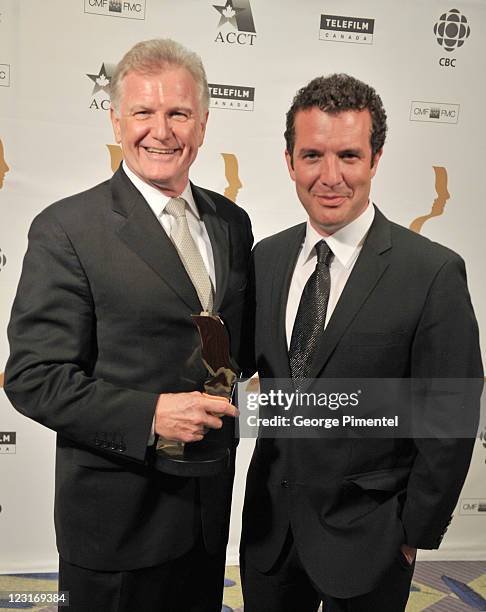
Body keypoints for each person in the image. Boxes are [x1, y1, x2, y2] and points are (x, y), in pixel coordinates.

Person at [4, 39, 253, 612]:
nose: (161, 130)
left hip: (208, 511)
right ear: (117, 120)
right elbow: (34, 377)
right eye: (143, 112)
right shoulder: (67, 227)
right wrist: (152, 415)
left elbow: (233, 346)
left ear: (204, 123)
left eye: (178, 113)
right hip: (116, 522)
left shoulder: (231, 221)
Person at [240, 74, 483, 612]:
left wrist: (413, 531)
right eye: (312, 156)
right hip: (269, 538)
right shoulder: (265, 259)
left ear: (375, 160)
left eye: (349, 156)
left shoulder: (432, 272)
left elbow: (450, 416)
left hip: (373, 540)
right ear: (288, 161)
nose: (330, 177)